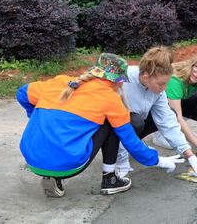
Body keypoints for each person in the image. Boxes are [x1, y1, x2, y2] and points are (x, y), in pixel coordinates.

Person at [17, 53, 184, 197]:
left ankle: (53, 176)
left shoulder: (61, 82)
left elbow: (22, 93)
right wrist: (157, 160)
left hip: (31, 157)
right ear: (118, 81)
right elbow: (130, 142)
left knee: (63, 130)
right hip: (69, 164)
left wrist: (35, 119)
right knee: (109, 124)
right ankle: (110, 179)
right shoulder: (110, 100)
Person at [116, 46, 197, 179]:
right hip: (110, 127)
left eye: (166, 83)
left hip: (133, 123)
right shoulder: (123, 78)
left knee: (170, 113)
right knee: (134, 122)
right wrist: (121, 159)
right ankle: (118, 156)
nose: (164, 88)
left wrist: (190, 155)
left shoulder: (158, 92)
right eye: (161, 84)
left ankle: (134, 143)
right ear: (146, 77)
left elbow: (168, 121)